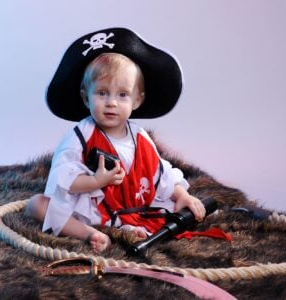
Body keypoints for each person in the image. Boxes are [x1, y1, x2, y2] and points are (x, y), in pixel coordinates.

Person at [26, 27, 206, 253]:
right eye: (102, 93)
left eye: (122, 95)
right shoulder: (81, 136)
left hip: (137, 208)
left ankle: (130, 227)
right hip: (94, 209)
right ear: (85, 97)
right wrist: (95, 182)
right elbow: (63, 179)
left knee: (181, 204)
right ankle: (90, 233)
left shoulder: (140, 137)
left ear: (137, 100)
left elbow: (162, 175)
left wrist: (183, 195)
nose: (111, 102)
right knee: (37, 204)